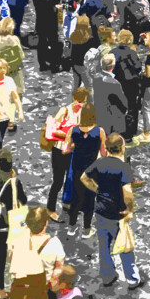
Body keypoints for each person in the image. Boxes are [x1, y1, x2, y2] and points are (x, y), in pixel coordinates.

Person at [81, 133, 143, 289]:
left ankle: (107, 275)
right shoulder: (123, 167)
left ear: (106, 148)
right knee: (125, 246)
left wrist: (96, 189)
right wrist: (130, 209)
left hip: (101, 211)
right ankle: (131, 278)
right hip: (118, 213)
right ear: (122, 148)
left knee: (104, 245)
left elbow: (84, 177)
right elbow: (127, 191)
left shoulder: (99, 163)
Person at [0, 148, 27, 299]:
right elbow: (24, 199)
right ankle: (17, 284)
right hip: (9, 222)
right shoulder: (12, 181)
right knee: (15, 253)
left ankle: (0, 290)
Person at [63, 102, 107, 238]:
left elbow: (66, 149)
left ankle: (71, 226)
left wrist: (73, 145)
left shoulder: (74, 130)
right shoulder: (99, 132)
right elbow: (104, 152)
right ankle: (87, 229)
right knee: (90, 199)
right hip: (92, 170)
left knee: (76, 197)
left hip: (77, 168)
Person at [47, 87, 88, 221]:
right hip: (59, 150)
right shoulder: (64, 110)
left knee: (71, 178)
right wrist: (68, 134)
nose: (80, 104)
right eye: (78, 100)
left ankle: (68, 202)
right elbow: (53, 129)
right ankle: (50, 208)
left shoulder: (83, 112)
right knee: (58, 181)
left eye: (83, 102)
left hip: (73, 150)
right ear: (73, 98)